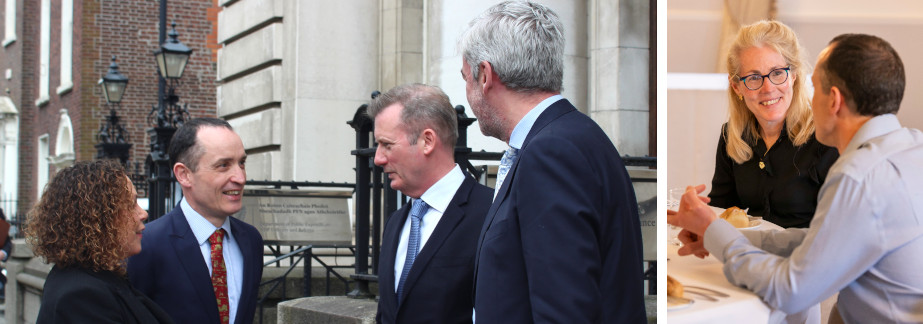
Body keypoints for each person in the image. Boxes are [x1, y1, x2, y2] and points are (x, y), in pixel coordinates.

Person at [668, 33, 923, 323]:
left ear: (834, 101)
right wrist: (719, 234)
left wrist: (718, 234)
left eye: (814, 88)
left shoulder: (857, 176)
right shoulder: (913, 147)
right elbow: (821, 239)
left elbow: (790, 291)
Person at [458, 1, 646, 322]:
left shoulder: (551, 152)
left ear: (486, 75)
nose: (466, 92)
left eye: (466, 78)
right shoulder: (573, 136)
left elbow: (564, 311)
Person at [369, 83, 492, 323]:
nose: (377, 159)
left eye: (386, 144)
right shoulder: (396, 222)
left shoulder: (493, 215)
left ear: (427, 141)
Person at [128, 118, 264, 324]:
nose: (240, 177)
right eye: (223, 165)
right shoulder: (147, 244)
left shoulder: (251, 240)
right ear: (184, 175)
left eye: (241, 163)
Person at [710, 20, 838, 228]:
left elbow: (838, 230)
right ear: (736, 87)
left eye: (777, 73)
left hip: (806, 257)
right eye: (753, 77)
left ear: (794, 76)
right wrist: (699, 220)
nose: (768, 88)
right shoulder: (731, 136)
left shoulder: (827, 136)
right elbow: (722, 211)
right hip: (749, 256)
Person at [26, 161, 173, 323]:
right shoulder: (81, 295)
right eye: (131, 204)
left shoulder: (98, 277)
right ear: (97, 219)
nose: (143, 214)